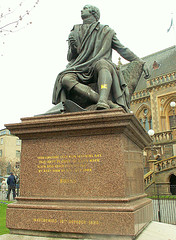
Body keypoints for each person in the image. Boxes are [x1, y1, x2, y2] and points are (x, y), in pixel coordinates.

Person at [52, 5, 150, 112]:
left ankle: (103, 100)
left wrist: (139, 61)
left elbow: (122, 49)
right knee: (65, 79)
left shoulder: (106, 31)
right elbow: (70, 57)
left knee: (103, 63)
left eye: (85, 8)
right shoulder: (75, 30)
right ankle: (108, 103)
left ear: (93, 13)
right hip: (79, 68)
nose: (81, 10)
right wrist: (73, 47)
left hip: (98, 65)